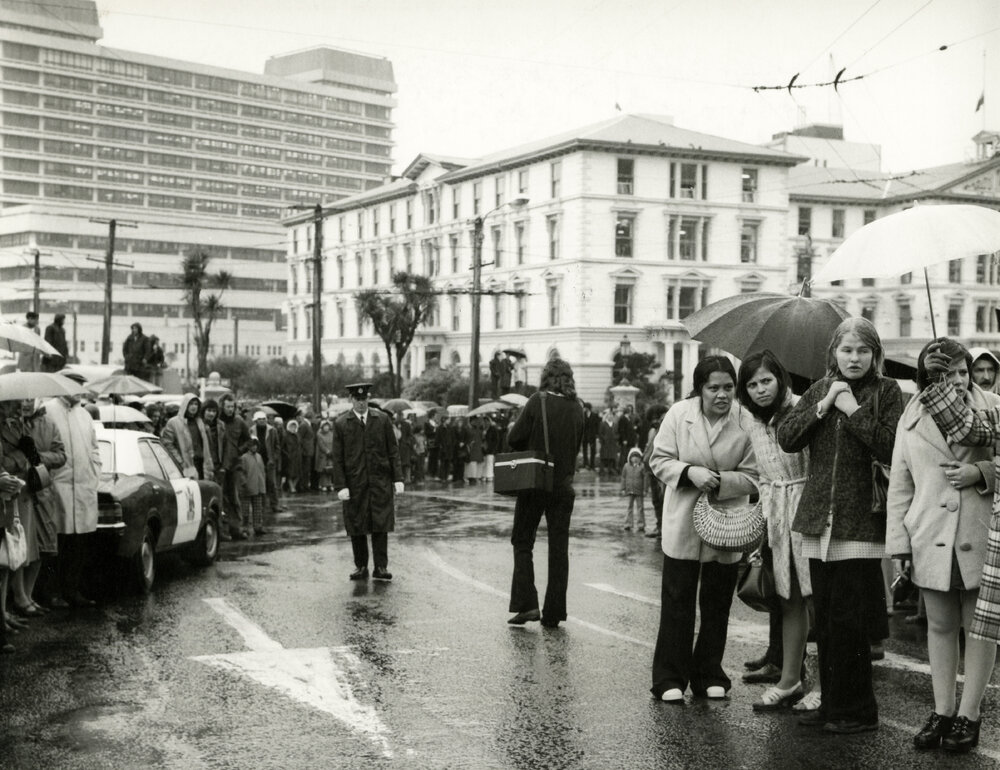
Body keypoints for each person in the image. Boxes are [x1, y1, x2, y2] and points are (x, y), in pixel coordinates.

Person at [777, 317, 902, 735]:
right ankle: (831, 703)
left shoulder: (886, 391)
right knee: (827, 621)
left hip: (860, 523)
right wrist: (824, 405)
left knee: (851, 622)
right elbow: (787, 437)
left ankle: (859, 711)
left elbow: (891, 445)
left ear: (875, 355)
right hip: (819, 522)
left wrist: (853, 411)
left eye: (863, 350)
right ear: (834, 352)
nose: (854, 358)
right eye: (847, 350)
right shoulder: (819, 389)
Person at [887, 338, 998, 752]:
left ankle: (970, 714)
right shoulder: (912, 413)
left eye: (963, 371)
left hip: (981, 530)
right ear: (927, 377)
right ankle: (943, 710)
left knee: (979, 627)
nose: (958, 380)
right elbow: (901, 481)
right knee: (939, 625)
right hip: (929, 532)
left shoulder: (992, 406)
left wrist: (981, 472)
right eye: (946, 373)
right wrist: (899, 543)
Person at [648, 356, 758, 703]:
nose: (722, 395)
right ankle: (669, 677)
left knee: (717, 603)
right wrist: (689, 472)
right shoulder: (678, 414)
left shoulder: (746, 420)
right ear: (700, 389)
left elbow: (755, 474)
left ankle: (709, 672)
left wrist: (723, 481)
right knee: (676, 600)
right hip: (683, 519)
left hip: (726, 523)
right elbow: (658, 459)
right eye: (713, 388)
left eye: (728, 387)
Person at [737, 351, 815, 713]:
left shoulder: (802, 407)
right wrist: (765, 518)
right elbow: (763, 475)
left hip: (809, 508)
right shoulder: (752, 420)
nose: (760, 389)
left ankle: (824, 685)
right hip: (777, 513)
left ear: (780, 379)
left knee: (817, 599)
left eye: (766, 380)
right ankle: (790, 679)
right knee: (789, 598)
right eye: (752, 384)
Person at [506, 358, 585, 629]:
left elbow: (514, 438)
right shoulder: (578, 407)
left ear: (546, 377)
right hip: (563, 485)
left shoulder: (537, 401)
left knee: (522, 540)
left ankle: (527, 604)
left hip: (536, 482)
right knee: (559, 549)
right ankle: (554, 612)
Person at [331, 382, 403, 581]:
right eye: (357, 399)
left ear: (368, 399)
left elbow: (393, 451)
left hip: (379, 481)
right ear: (351, 400)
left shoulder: (382, 420)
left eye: (364, 399)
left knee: (380, 524)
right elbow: (337, 458)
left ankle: (380, 567)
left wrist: (398, 478)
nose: (361, 403)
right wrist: (341, 485)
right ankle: (361, 566)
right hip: (355, 483)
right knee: (357, 525)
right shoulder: (341, 423)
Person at [45, 390, 102, 607]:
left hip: (83, 487)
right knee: (57, 542)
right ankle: (52, 592)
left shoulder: (85, 415)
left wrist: (94, 473)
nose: (79, 391)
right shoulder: (48, 411)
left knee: (78, 544)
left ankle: (72, 590)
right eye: (75, 386)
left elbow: (94, 448)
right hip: (58, 486)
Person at [217, 393, 251, 540]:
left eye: (232, 407)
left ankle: (236, 528)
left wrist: (239, 450)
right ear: (222, 407)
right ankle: (222, 530)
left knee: (234, 497)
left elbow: (248, 440)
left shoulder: (239, 421)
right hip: (220, 465)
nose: (230, 409)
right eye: (228, 407)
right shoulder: (218, 422)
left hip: (235, 464)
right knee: (221, 498)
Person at [161, 394, 213, 480]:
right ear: (185, 404)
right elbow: (168, 444)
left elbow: (206, 445)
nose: (194, 406)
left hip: (201, 465)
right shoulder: (173, 422)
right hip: (184, 466)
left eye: (196, 404)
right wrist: (180, 461)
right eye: (191, 404)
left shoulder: (200, 422)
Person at [642, 404, 668, 539]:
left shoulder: (667, 426)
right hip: (651, 469)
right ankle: (660, 527)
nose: (654, 422)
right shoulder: (654, 430)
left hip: (661, 470)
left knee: (663, 500)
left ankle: (665, 530)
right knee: (656, 500)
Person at [240, 437, 267, 536]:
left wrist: (263, 484)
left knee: (258, 509)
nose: (254, 447)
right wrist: (244, 483)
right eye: (252, 445)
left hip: (258, 487)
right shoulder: (244, 457)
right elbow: (241, 473)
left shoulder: (259, 457)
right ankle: (244, 527)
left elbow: (262, 471)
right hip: (247, 488)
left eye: (255, 445)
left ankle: (258, 526)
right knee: (245, 510)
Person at [620, 447, 645, 532]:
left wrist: (645, 489)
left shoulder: (642, 467)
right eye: (633, 457)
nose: (635, 459)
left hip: (639, 490)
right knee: (629, 507)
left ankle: (641, 524)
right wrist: (623, 488)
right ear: (630, 458)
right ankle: (628, 524)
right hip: (629, 490)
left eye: (637, 457)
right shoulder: (626, 466)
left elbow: (645, 479)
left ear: (640, 458)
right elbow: (623, 478)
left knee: (640, 508)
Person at [282, 419, 302, 494]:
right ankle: (292, 487)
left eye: (294, 426)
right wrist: (287, 454)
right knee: (290, 473)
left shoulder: (298, 435)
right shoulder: (285, 436)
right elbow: (282, 447)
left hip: (298, 457)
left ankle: (293, 486)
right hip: (290, 457)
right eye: (292, 426)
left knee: (298, 473)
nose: (293, 428)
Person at [298, 411, 315, 492]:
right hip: (305, 451)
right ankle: (303, 486)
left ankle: (305, 485)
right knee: (304, 469)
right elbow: (300, 438)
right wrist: (303, 449)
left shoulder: (307, 424)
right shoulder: (304, 425)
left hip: (308, 450)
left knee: (307, 469)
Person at [598, 409, 618, 476]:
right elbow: (600, 433)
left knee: (611, 457)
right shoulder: (603, 424)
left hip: (612, 443)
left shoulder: (615, 424)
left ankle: (610, 470)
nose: (610, 417)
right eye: (609, 415)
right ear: (607, 416)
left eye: (611, 416)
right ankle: (601, 470)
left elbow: (617, 433)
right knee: (603, 457)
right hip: (605, 443)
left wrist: (615, 437)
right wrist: (603, 439)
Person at [315, 419, 334, 492]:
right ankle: (323, 484)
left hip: (331, 454)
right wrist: (327, 451)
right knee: (323, 470)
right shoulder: (319, 434)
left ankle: (329, 483)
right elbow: (321, 444)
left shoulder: (331, 434)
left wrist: (332, 451)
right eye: (325, 426)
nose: (326, 427)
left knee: (330, 470)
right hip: (323, 455)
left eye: (327, 426)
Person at [581, 402, 600, 471]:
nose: (584, 409)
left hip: (592, 435)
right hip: (585, 436)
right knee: (584, 450)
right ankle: (585, 463)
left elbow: (597, 425)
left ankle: (592, 464)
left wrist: (597, 434)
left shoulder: (594, 415)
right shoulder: (582, 415)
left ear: (588, 408)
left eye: (585, 407)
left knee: (593, 451)